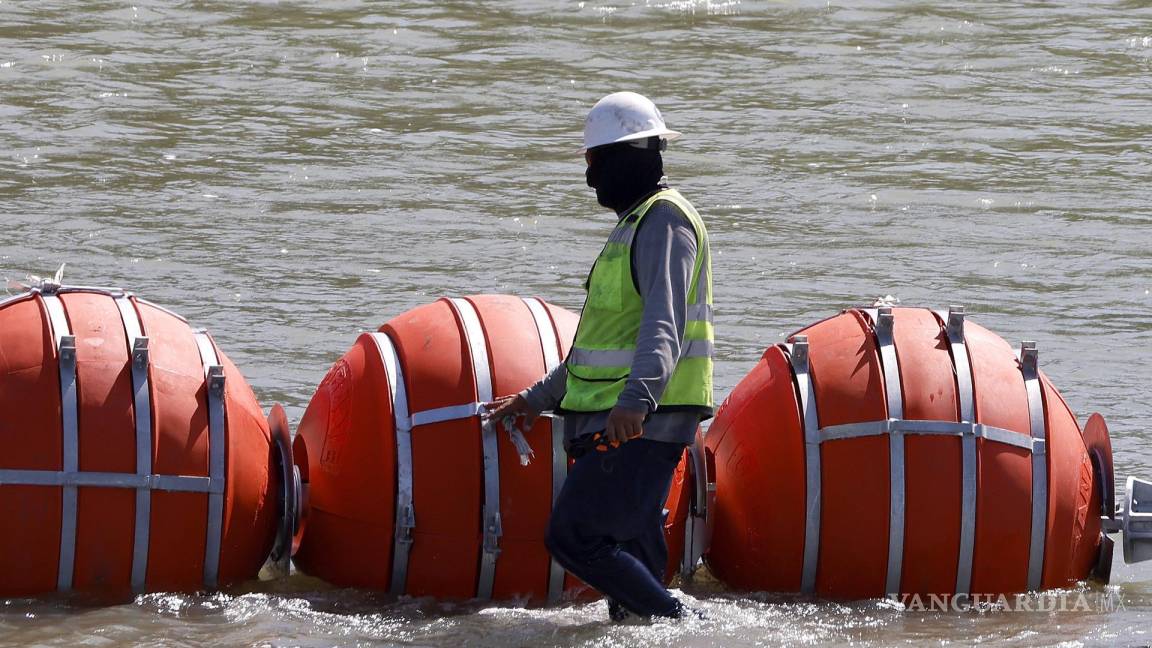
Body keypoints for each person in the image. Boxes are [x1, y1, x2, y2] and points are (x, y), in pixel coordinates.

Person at [485, 91, 713, 621]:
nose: (590, 178)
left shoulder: (664, 220)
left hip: (641, 422)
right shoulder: (631, 226)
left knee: (574, 535)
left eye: (596, 161)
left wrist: (637, 401)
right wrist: (533, 399)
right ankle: (663, 628)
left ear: (631, 156)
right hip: (616, 418)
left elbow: (665, 320)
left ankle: (690, 627)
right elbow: (594, 352)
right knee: (629, 572)